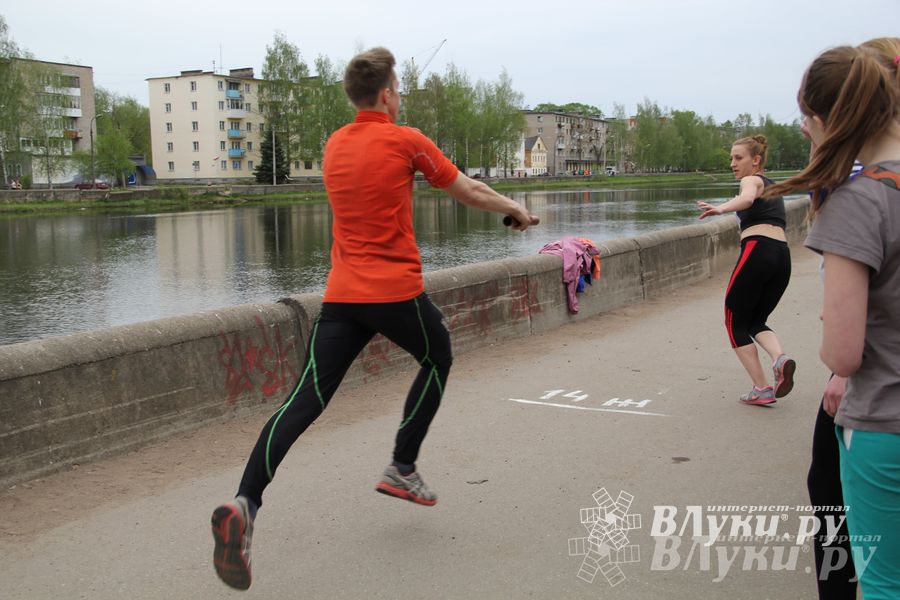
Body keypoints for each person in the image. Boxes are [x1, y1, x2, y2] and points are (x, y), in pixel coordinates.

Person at [209, 47, 538, 591]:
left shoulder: (335, 143)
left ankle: (246, 503)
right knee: (438, 356)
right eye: (399, 88)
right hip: (394, 291)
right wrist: (515, 209)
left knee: (303, 401)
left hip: (342, 297)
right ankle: (402, 467)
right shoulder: (406, 140)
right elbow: (468, 189)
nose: (400, 95)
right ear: (386, 93)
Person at [765, 38, 900, 599]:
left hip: (887, 421)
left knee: (883, 583)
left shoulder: (860, 200)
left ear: (826, 118)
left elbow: (844, 353)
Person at [697, 135, 795, 405]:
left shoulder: (751, 180)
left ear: (756, 160)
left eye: (738, 157)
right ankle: (780, 358)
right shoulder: (775, 186)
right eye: (731, 158)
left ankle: (761, 388)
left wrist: (721, 209)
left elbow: (748, 199)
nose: (732, 163)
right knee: (755, 320)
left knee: (733, 320)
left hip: (758, 249)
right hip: (782, 257)